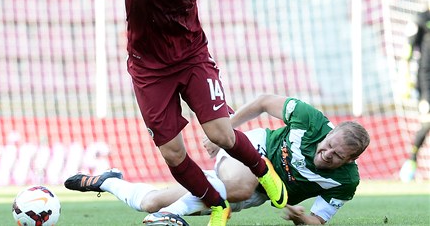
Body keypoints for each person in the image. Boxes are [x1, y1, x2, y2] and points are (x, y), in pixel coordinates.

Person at [95, 0, 285, 225]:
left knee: (221, 135)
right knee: (172, 154)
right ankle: (216, 205)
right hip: (149, 71)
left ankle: (263, 171)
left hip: (192, 58)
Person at [65, 94, 370, 225]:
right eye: (328, 145)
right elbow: (263, 102)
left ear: (349, 161)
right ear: (330, 132)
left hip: (260, 193)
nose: (325, 154)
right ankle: (164, 219)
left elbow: (318, 220)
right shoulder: (311, 120)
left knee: (151, 201)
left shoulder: (345, 182)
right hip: (254, 151)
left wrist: (301, 217)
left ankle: (109, 182)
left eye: (336, 156)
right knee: (238, 185)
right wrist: (225, 131)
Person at [399, 5, 430, 183]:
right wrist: (405, 78)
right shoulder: (421, 19)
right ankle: (411, 162)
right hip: (426, 83)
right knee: (427, 122)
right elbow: (408, 52)